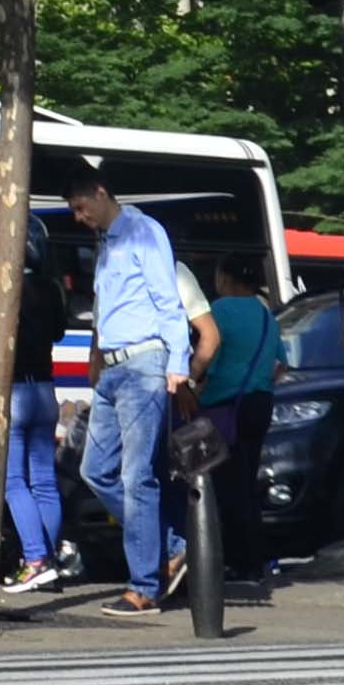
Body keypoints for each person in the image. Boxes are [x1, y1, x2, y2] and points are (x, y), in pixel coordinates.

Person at [62, 168, 210, 616]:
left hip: (144, 364)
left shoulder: (145, 232)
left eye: (81, 208)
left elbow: (167, 299)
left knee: (136, 475)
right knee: (95, 470)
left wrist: (177, 365)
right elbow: (106, 309)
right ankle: (170, 546)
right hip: (112, 369)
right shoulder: (107, 245)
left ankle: (145, 587)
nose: (79, 218)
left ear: (101, 193)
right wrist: (96, 362)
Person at [0, 237, 74, 602]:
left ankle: (36, 560)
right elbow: (58, 331)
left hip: (13, 391)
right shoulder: (50, 288)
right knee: (43, 480)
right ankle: (51, 559)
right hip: (45, 390)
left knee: (12, 482)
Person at [192, 252, 281, 591]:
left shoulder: (220, 311)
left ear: (226, 278)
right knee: (247, 483)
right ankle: (255, 561)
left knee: (226, 488)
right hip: (260, 404)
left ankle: (237, 562)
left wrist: (196, 383)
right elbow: (280, 365)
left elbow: (208, 356)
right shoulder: (266, 315)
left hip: (224, 408)